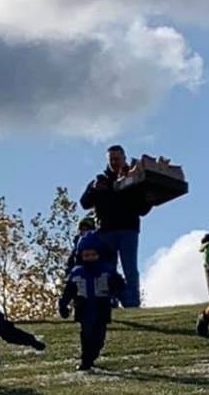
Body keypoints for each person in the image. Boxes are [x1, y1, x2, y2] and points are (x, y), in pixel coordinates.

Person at [79, 144, 153, 308]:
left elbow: (142, 209)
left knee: (130, 269)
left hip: (128, 230)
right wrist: (92, 189)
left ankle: (132, 302)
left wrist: (149, 200)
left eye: (117, 159)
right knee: (107, 269)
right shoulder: (99, 180)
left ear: (124, 159)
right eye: (111, 159)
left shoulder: (134, 179)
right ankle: (109, 302)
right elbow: (84, 203)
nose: (114, 162)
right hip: (105, 231)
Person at [59, 234, 124, 371]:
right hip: (83, 310)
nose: (90, 258)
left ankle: (91, 357)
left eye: (93, 254)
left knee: (99, 339)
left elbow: (120, 285)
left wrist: (116, 288)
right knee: (86, 335)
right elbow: (68, 291)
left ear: (99, 254)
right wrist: (63, 305)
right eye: (86, 255)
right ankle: (85, 361)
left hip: (101, 309)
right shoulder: (76, 273)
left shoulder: (107, 270)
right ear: (80, 256)